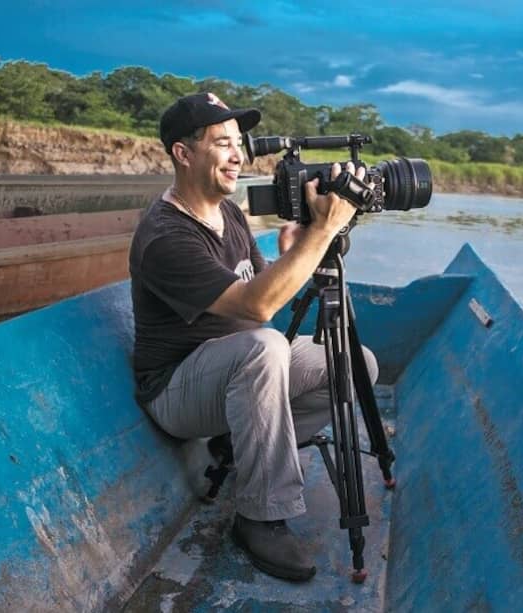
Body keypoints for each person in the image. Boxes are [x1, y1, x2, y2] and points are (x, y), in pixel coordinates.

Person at [128, 92, 378, 582]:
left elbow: (261, 287)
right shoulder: (166, 235)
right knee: (265, 348)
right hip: (177, 389)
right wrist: (323, 230)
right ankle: (260, 515)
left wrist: (295, 251)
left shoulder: (231, 214)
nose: (238, 155)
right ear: (183, 153)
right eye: (222, 143)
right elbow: (258, 307)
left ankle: (245, 449)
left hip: (237, 372)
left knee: (355, 363)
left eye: (238, 144)